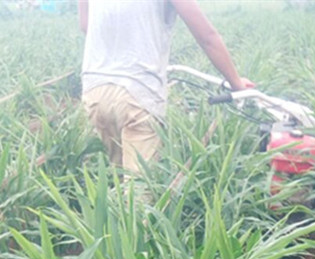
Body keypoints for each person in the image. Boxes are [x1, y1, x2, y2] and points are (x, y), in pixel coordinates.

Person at [78, 0, 254, 174]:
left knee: (118, 173)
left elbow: (86, 25)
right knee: (139, 191)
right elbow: (206, 36)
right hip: (137, 93)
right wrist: (236, 84)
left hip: (95, 88)